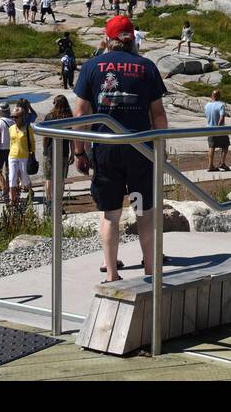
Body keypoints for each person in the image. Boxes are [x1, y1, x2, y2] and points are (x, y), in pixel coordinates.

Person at [72, 15, 170, 283]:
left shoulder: (92, 67)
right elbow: (158, 115)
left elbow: (80, 113)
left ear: (107, 39)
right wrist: (161, 149)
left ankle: (112, 275)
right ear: (131, 39)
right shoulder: (146, 66)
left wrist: (79, 152)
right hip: (140, 152)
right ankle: (151, 272)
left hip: (106, 152)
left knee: (111, 214)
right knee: (143, 213)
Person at [42, 96, 75, 216]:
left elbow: (45, 136)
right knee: (60, 181)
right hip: (64, 153)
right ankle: (58, 205)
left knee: (49, 178)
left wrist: (45, 149)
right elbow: (71, 137)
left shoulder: (50, 117)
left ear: (55, 104)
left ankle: (49, 204)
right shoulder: (69, 118)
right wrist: (73, 152)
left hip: (51, 152)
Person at [6, 105, 36, 206]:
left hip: (24, 155)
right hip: (12, 155)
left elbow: (32, 142)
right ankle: (13, 200)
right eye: (12, 117)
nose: (13, 119)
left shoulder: (28, 128)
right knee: (12, 177)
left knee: (24, 177)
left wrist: (33, 154)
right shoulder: (11, 128)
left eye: (16, 117)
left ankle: (30, 190)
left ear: (22, 117)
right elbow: (11, 142)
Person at [204, 90, 230, 172]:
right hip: (219, 129)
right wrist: (218, 128)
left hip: (209, 128)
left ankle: (210, 165)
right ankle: (222, 163)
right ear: (219, 96)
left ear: (211, 96)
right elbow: (222, 118)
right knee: (225, 145)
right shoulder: (221, 105)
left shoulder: (207, 105)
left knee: (211, 147)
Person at [0, 102, 13, 201]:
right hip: (12, 149)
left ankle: (4, 191)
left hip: (1, 149)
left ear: (0, 111)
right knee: (9, 171)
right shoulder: (13, 121)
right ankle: (11, 192)